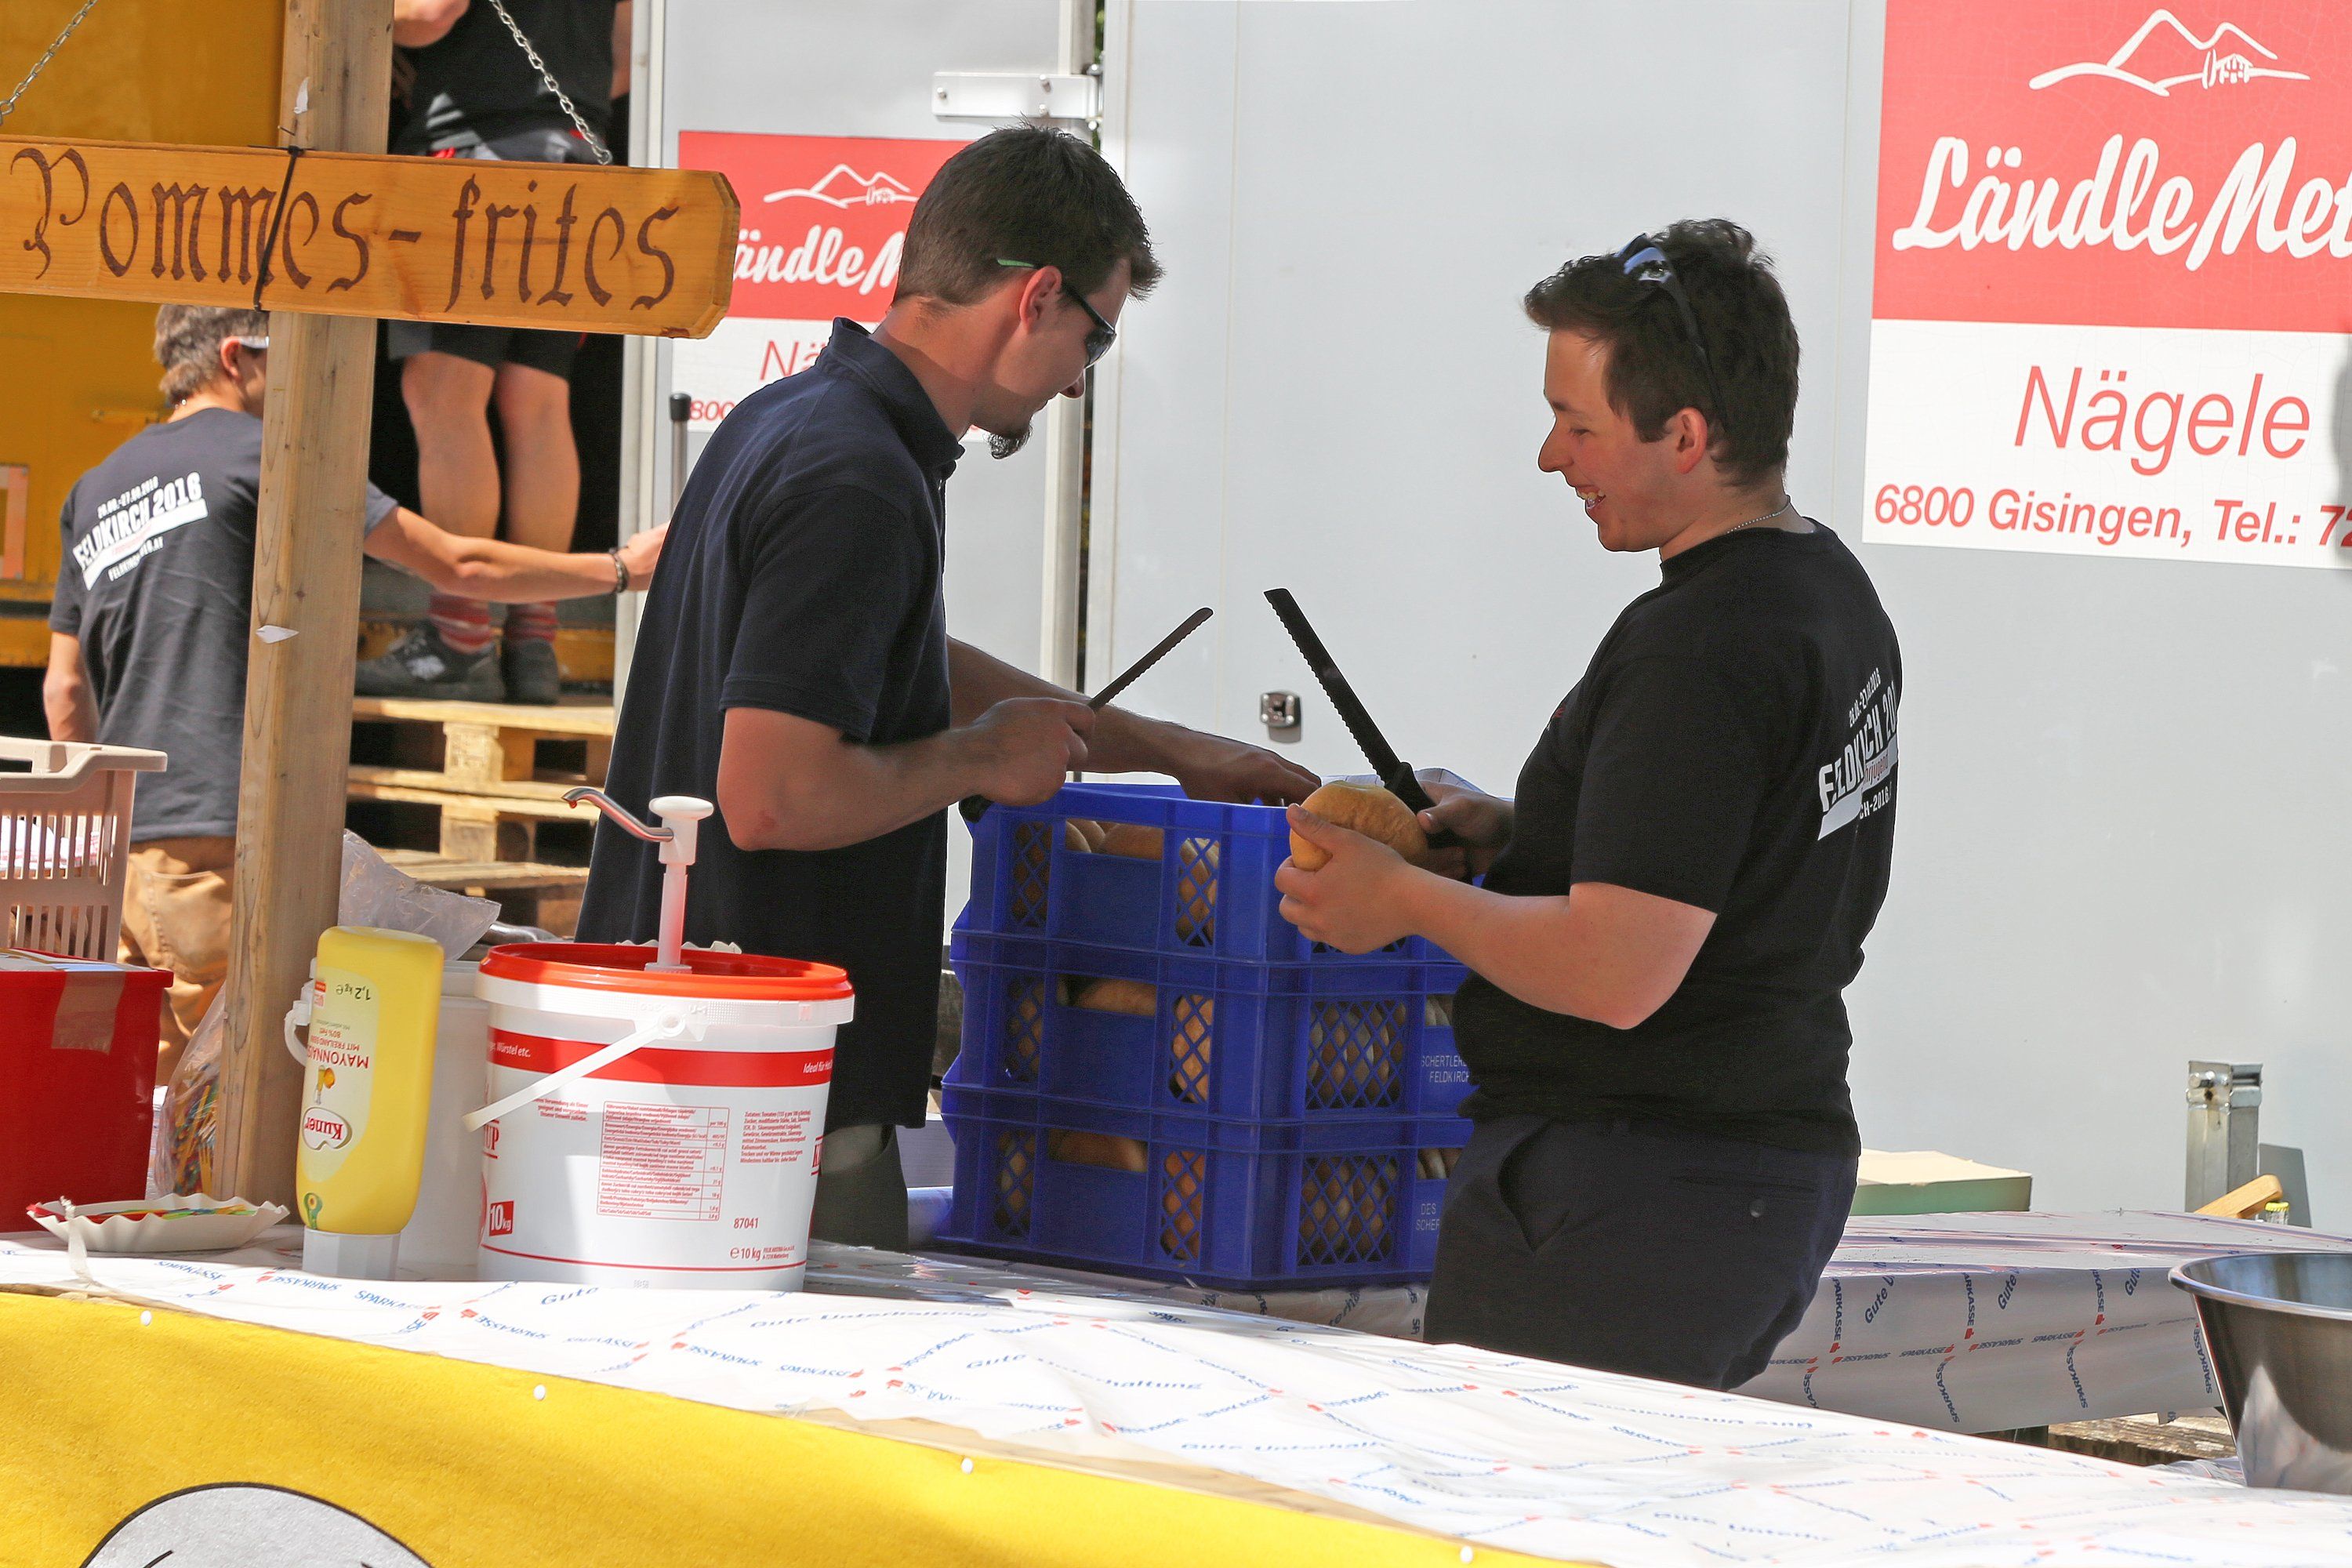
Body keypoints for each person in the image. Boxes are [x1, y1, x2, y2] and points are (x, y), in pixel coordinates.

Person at [577, 126, 1318, 1247]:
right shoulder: (858, 475)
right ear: (1038, 297)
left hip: (707, 1074)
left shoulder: (796, 420)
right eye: (1095, 338)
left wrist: (1171, 751)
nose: (1079, 380)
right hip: (767, 1113)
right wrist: (978, 758)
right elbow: (772, 797)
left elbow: (893, 661)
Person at [1276, 221, 1900, 1392]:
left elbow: (1620, 970)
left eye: (1578, 425)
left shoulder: (1700, 645)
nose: (1550, 458)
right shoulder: (1820, 585)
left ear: (1688, 435)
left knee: (1516, 1492)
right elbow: (1730, 858)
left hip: (1633, 1189)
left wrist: (1402, 899)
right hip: (1738, 1172)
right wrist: (1526, 833)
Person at [44, 305, 665, 1086]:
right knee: (242, 1090)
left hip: (129, 853)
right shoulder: (265, 452)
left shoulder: (94, 486)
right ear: (235, 357)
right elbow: (456, 565)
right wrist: (620, 569)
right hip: (224, 838)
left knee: (152, 1095)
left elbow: (65, 690)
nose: (305, 379)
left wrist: (99, 843)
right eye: (287, 355)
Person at [356, 0, 631, 702]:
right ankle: (534, 643)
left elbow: (430, 12)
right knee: (537, 399)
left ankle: (460, 638)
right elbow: (628, 56)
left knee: (445, 392)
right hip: (576, 153)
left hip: (475, 159)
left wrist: (364, 22)